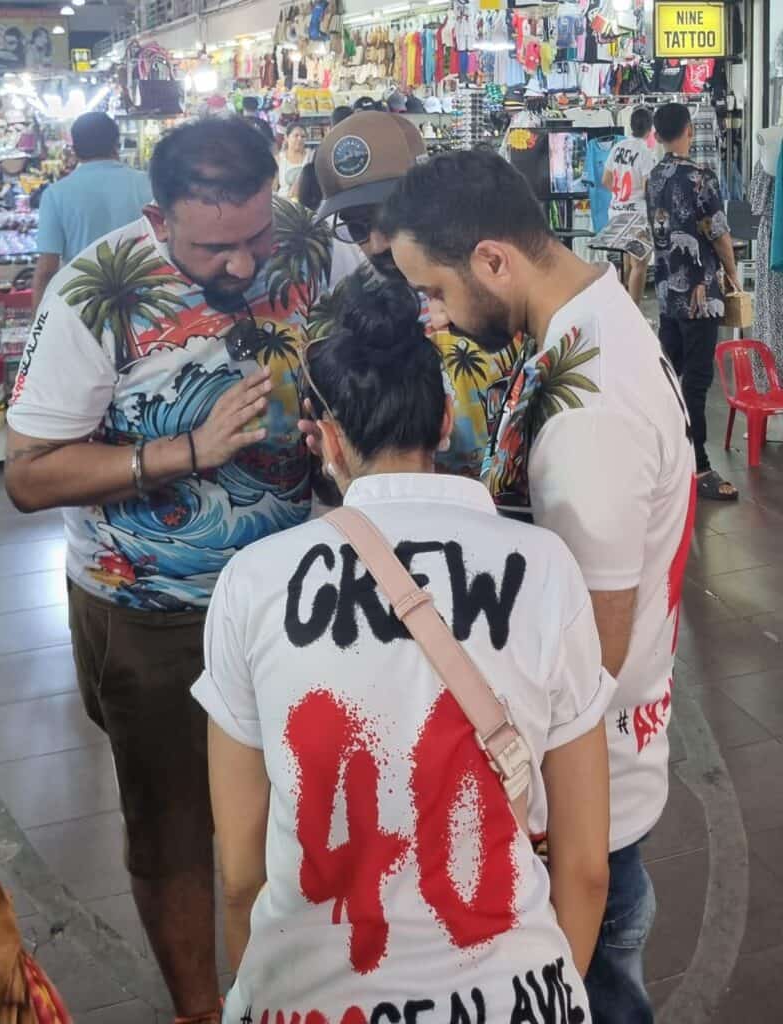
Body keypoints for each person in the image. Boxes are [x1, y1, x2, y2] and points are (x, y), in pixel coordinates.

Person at [194, 274, 613, 1023]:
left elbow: (239, 876)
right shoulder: (546, 568)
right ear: (445, 419)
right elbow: (584, 869)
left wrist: (259, 993)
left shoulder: (251, 582)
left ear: (325, 440)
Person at [4, 117, 335, 1023]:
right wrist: (184, 452)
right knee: (173, 829)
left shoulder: (309, 247)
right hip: (152, 608)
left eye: (255, 236)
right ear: (158, 218)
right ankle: (199, 1008)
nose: (243, 264)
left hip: (296, 594)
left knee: (303, 810)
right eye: (214, 249)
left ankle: (297, 991)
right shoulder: (95, 293)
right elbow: (28, 475)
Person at [380, 148, 696, 1024]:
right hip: (587, 791)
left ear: (493, 260)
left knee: (593, 995)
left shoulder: (589, 413)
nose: (434, 316)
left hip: (580, 807)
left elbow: (593, 654)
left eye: (436, 290)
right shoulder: (583, 324)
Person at [311, 110, 523, 481]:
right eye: (356, 227)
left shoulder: (495, 284)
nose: (376, 243)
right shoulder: (344, 312)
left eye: (387, 217)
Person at [647, 102, 740, 501]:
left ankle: (664, 458)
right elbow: (719, 233)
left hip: (668, 294)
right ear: (688, 130)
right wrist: (733, 273)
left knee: (669, 379)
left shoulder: (654, 178)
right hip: (700, 297)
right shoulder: (701, 178)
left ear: (658, 135)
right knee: (697, 382)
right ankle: (698, 465)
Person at [32, 111, 152, 312]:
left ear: (75, 150)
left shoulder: (55, 194)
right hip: (144, 303)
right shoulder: (150, 184)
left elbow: (47, 270)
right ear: (116, 144)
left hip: (84, 308)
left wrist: (37, 321)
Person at [601, 106, 656, 306]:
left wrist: (621, 196)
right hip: (636, 215)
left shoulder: (618, 148)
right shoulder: (645, 153)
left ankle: (621, 308)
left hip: (616, 212)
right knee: (639, 263)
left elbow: (605, 180)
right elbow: (648, 189)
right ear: (650, 128)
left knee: (626, 263)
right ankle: (634, 313)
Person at [276, 123, 310, 198]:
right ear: (286, 137)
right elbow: (273, 187)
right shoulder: (279, 158)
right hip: (283, 202)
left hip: (305, 202)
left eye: (303, 136)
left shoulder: (311, 157)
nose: (300, 139)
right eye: (296, 136)